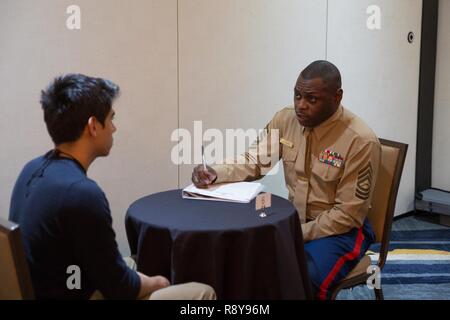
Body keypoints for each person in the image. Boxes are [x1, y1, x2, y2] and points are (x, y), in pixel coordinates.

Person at [9, 74, 216, 300]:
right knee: (202, 292)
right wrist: (160, 282)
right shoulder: (80, 193)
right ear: (93, 126)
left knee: (135, 262)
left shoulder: (32, 169)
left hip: (58, 282)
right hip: (75, 291)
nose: (114, 128)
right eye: (111, 118)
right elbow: (122, 288)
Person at [192, 60, 380, 299]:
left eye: (312, 99)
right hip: (293, 220)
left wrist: (295, 233)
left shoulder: (359, 140)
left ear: (337, 97)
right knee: (242, 259)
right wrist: (215, 172)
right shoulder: (286, 120)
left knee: (304, 277)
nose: (301, 105)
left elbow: (348, 215)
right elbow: (255, 160)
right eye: (297, 95)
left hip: (341, 232)